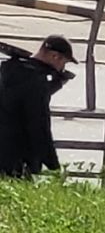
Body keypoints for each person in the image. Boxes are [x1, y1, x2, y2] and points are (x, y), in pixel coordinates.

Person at [0, 35, 75, 179]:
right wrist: (53, 166)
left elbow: (18, 99)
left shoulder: (11, 70)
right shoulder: (35, 82)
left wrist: (51, 86)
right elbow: (38, 125)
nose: (62, 69)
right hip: (17, 159)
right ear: (55, 56)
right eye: (63, 63)